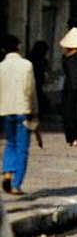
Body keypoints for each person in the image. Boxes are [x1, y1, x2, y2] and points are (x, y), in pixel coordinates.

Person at [0, 35, 36, 195]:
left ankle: (8, 172)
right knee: (22, 148)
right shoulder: (26, 65)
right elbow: (31, 90)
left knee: (10, 143)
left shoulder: (1, 67)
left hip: (6, 110)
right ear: (19, 46)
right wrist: (35, 111)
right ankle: (16, 184)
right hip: (23, 110)